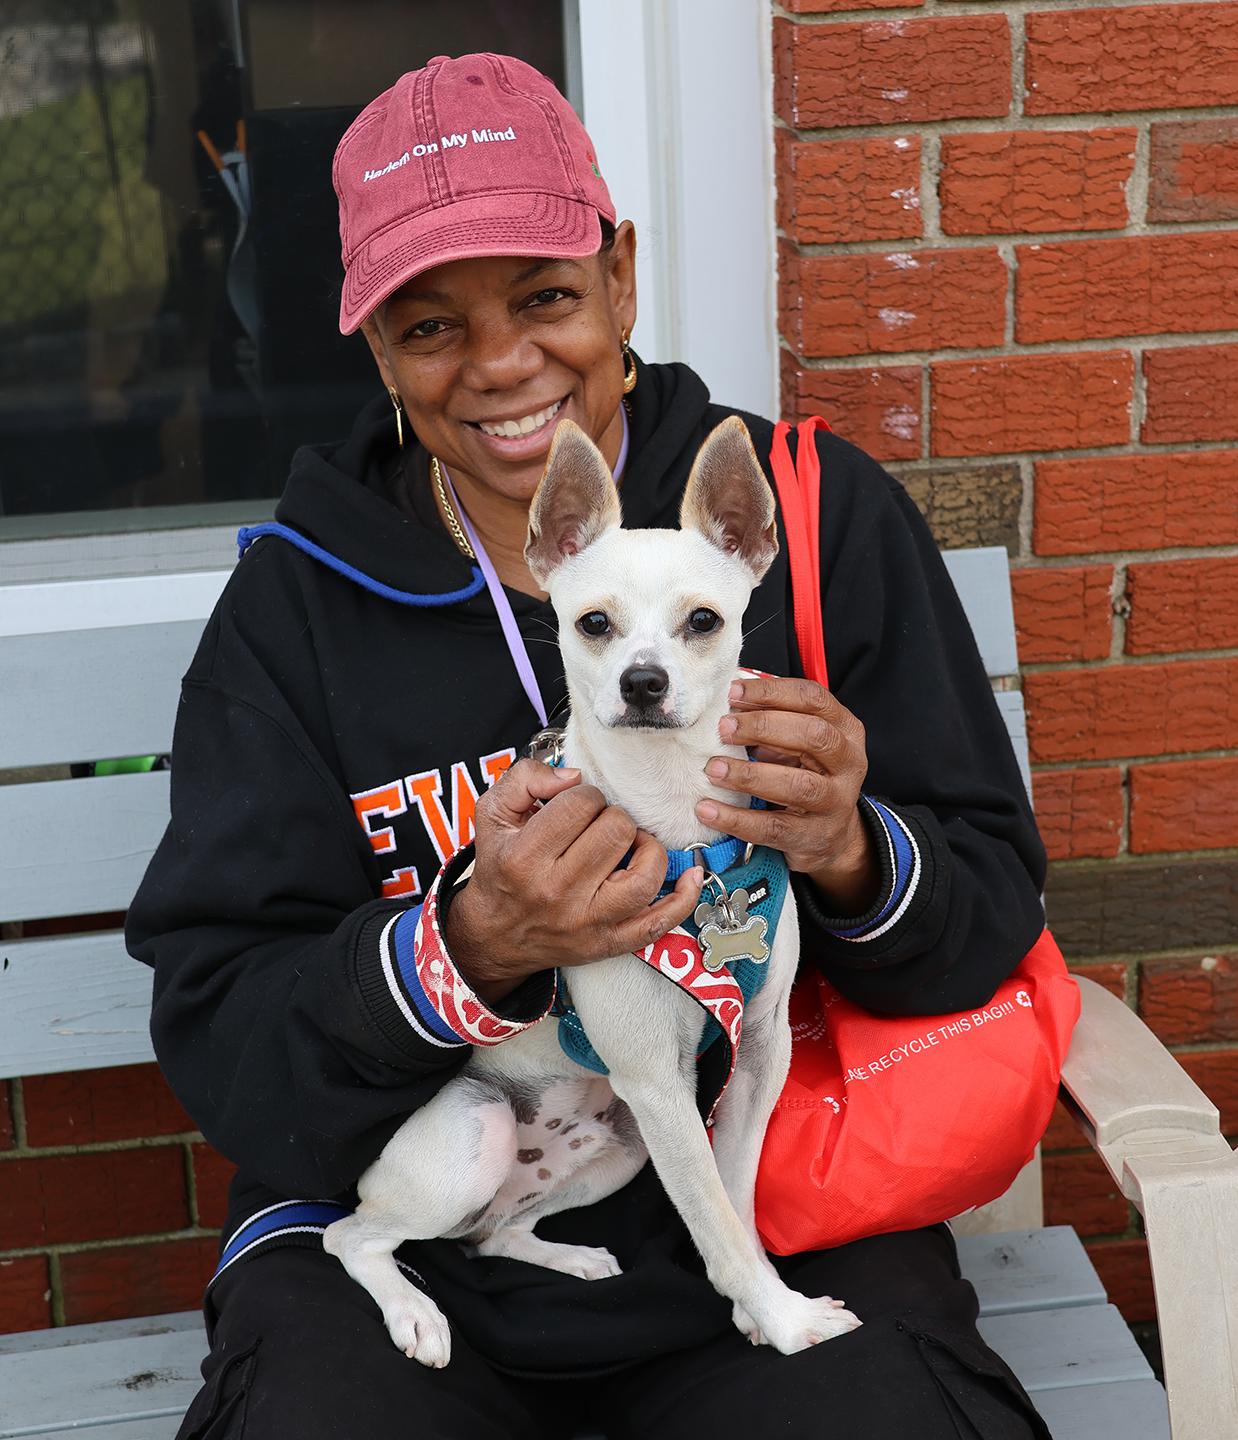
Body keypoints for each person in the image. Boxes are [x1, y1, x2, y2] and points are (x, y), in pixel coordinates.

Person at [128, 52, 1051, 1440]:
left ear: (620, 274)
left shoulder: (808, 519)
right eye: (430, 325)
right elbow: (225, 1038)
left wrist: (852, 848)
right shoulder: (297, 606)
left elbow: (987, 914)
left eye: (546, 296)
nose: (502, 364)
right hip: (421, 1230)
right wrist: (471, 951)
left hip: (778, 1207)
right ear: (372, 344)